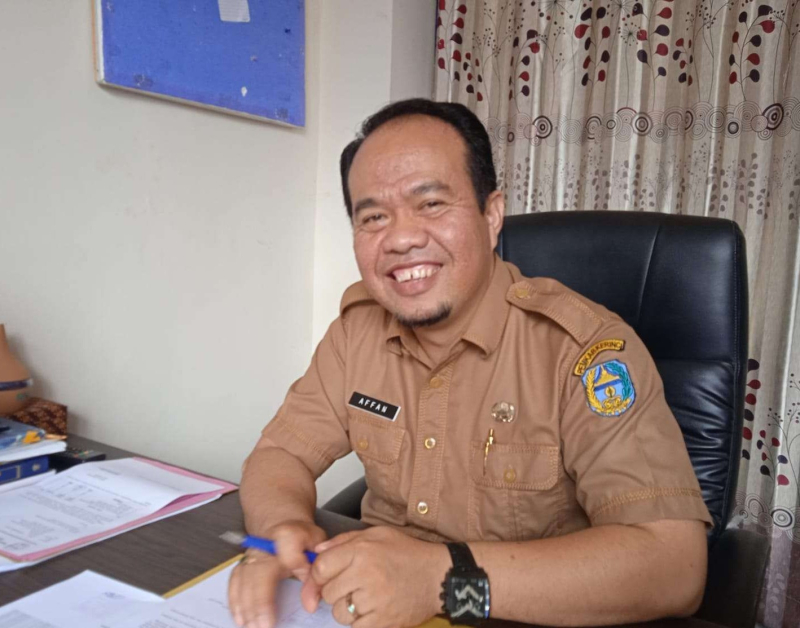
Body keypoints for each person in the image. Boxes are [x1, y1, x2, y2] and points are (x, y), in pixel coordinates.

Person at [228, 99, 712, 628]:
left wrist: (441, 582)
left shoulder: (584, 351)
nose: (401, 238)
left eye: (431, 203)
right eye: (373, 217)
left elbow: (674, 565)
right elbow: (280, 454)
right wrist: (278, 531)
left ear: (491, 214)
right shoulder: (356, 331)